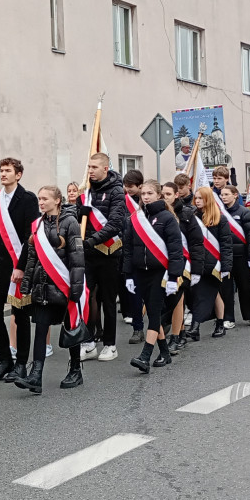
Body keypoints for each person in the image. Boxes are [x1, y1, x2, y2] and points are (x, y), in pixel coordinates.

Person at [17, 185, 85, 393]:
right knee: (41, 328)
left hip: (63, 285)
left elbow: (77, 258)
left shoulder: (70, 222)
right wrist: (27, 285)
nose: (41, 202)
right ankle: (36, 375)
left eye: (45, 198)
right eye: (39, 198)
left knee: (70, 328)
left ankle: (75, 369)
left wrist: (76, 288)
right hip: (43, 286)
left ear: (57, 200)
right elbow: (32, 258)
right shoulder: (37, 224)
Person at [0, 157, 40, 383]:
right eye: (1, 170)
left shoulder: (27, 199)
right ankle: (5, 359)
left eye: (8, 171)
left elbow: (30, 236)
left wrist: (21, 266)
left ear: (19, 174)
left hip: (18, 266)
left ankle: (21, 364)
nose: (3, 174)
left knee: (21, 315)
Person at [121, 181, 184, 372]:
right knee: (151, 312)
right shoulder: (136, 218)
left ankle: (145, 355)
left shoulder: (167, 218)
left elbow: (175, 250)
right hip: (141, 273)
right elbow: (129, 249)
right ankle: (164, 353)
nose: (146, 197)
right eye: (143, 194)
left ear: (159, 195)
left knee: (154, 314)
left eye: (150, 193)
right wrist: (128, 274)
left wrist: (174, 277)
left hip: (160, 273)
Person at [77, 153, 128, 362]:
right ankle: (88, 343)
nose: (90, 171)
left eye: (95, 167)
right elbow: (76, 218)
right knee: (86, 299)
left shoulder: (116, 191)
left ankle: (110, 344)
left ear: (105, 168)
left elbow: (115, 223)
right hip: (87, 255)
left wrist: (91, 240)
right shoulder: (86, 191)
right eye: (89, 167)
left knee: (108, 300)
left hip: (108, 253)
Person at [162, 182, 203, 352]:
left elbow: (196, 243)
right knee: (171, 301)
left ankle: (176, 336)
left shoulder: (186, 213)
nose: (165, 198)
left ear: (176, 195)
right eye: (162, 194)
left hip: (183, 264)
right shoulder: (159, 214)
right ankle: (182, 333)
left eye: (168, 194)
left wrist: (197, 270)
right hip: (165, 263)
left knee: (178, 299)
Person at [187, 186, 232, 341]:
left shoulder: (220, 218)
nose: (198, 201)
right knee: (212, 294)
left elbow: (226, 244)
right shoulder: (192, 216)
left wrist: (226, 266)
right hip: (197, 263)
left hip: (214, 265)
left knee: (204, 294)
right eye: (196, 198)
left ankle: (196, 326)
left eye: (201, 198)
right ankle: (217, 323)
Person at [219, 185, 250, 328]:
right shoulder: (219, 213)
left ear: (235, 195)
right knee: (226, 288)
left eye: (226, 194)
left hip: (241, 256)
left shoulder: (245, 213)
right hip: (225, 256)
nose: (223, 197)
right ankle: (228, 317)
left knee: (246, 286)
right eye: (221, 195)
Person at [120, 170, 146, 345]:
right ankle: (138, 329)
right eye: (126, 186)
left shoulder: (149, 204)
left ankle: (162, 324)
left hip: (151, 255)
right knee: (134, 295)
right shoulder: (123, 202)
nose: (128, 190)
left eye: (131, 187)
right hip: (133, 253)